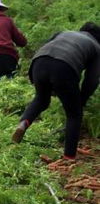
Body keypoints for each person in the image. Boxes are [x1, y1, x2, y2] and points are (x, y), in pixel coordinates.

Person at [13, 22, 100, 160]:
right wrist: (81, 100)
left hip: (38, 62)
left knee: (41, 99)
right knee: (74, 114)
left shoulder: (63, 33)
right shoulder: (96, 46)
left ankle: (23, 123)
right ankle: (69, 157)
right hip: (64, 66)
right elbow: (92, 80)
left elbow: (47, 50)